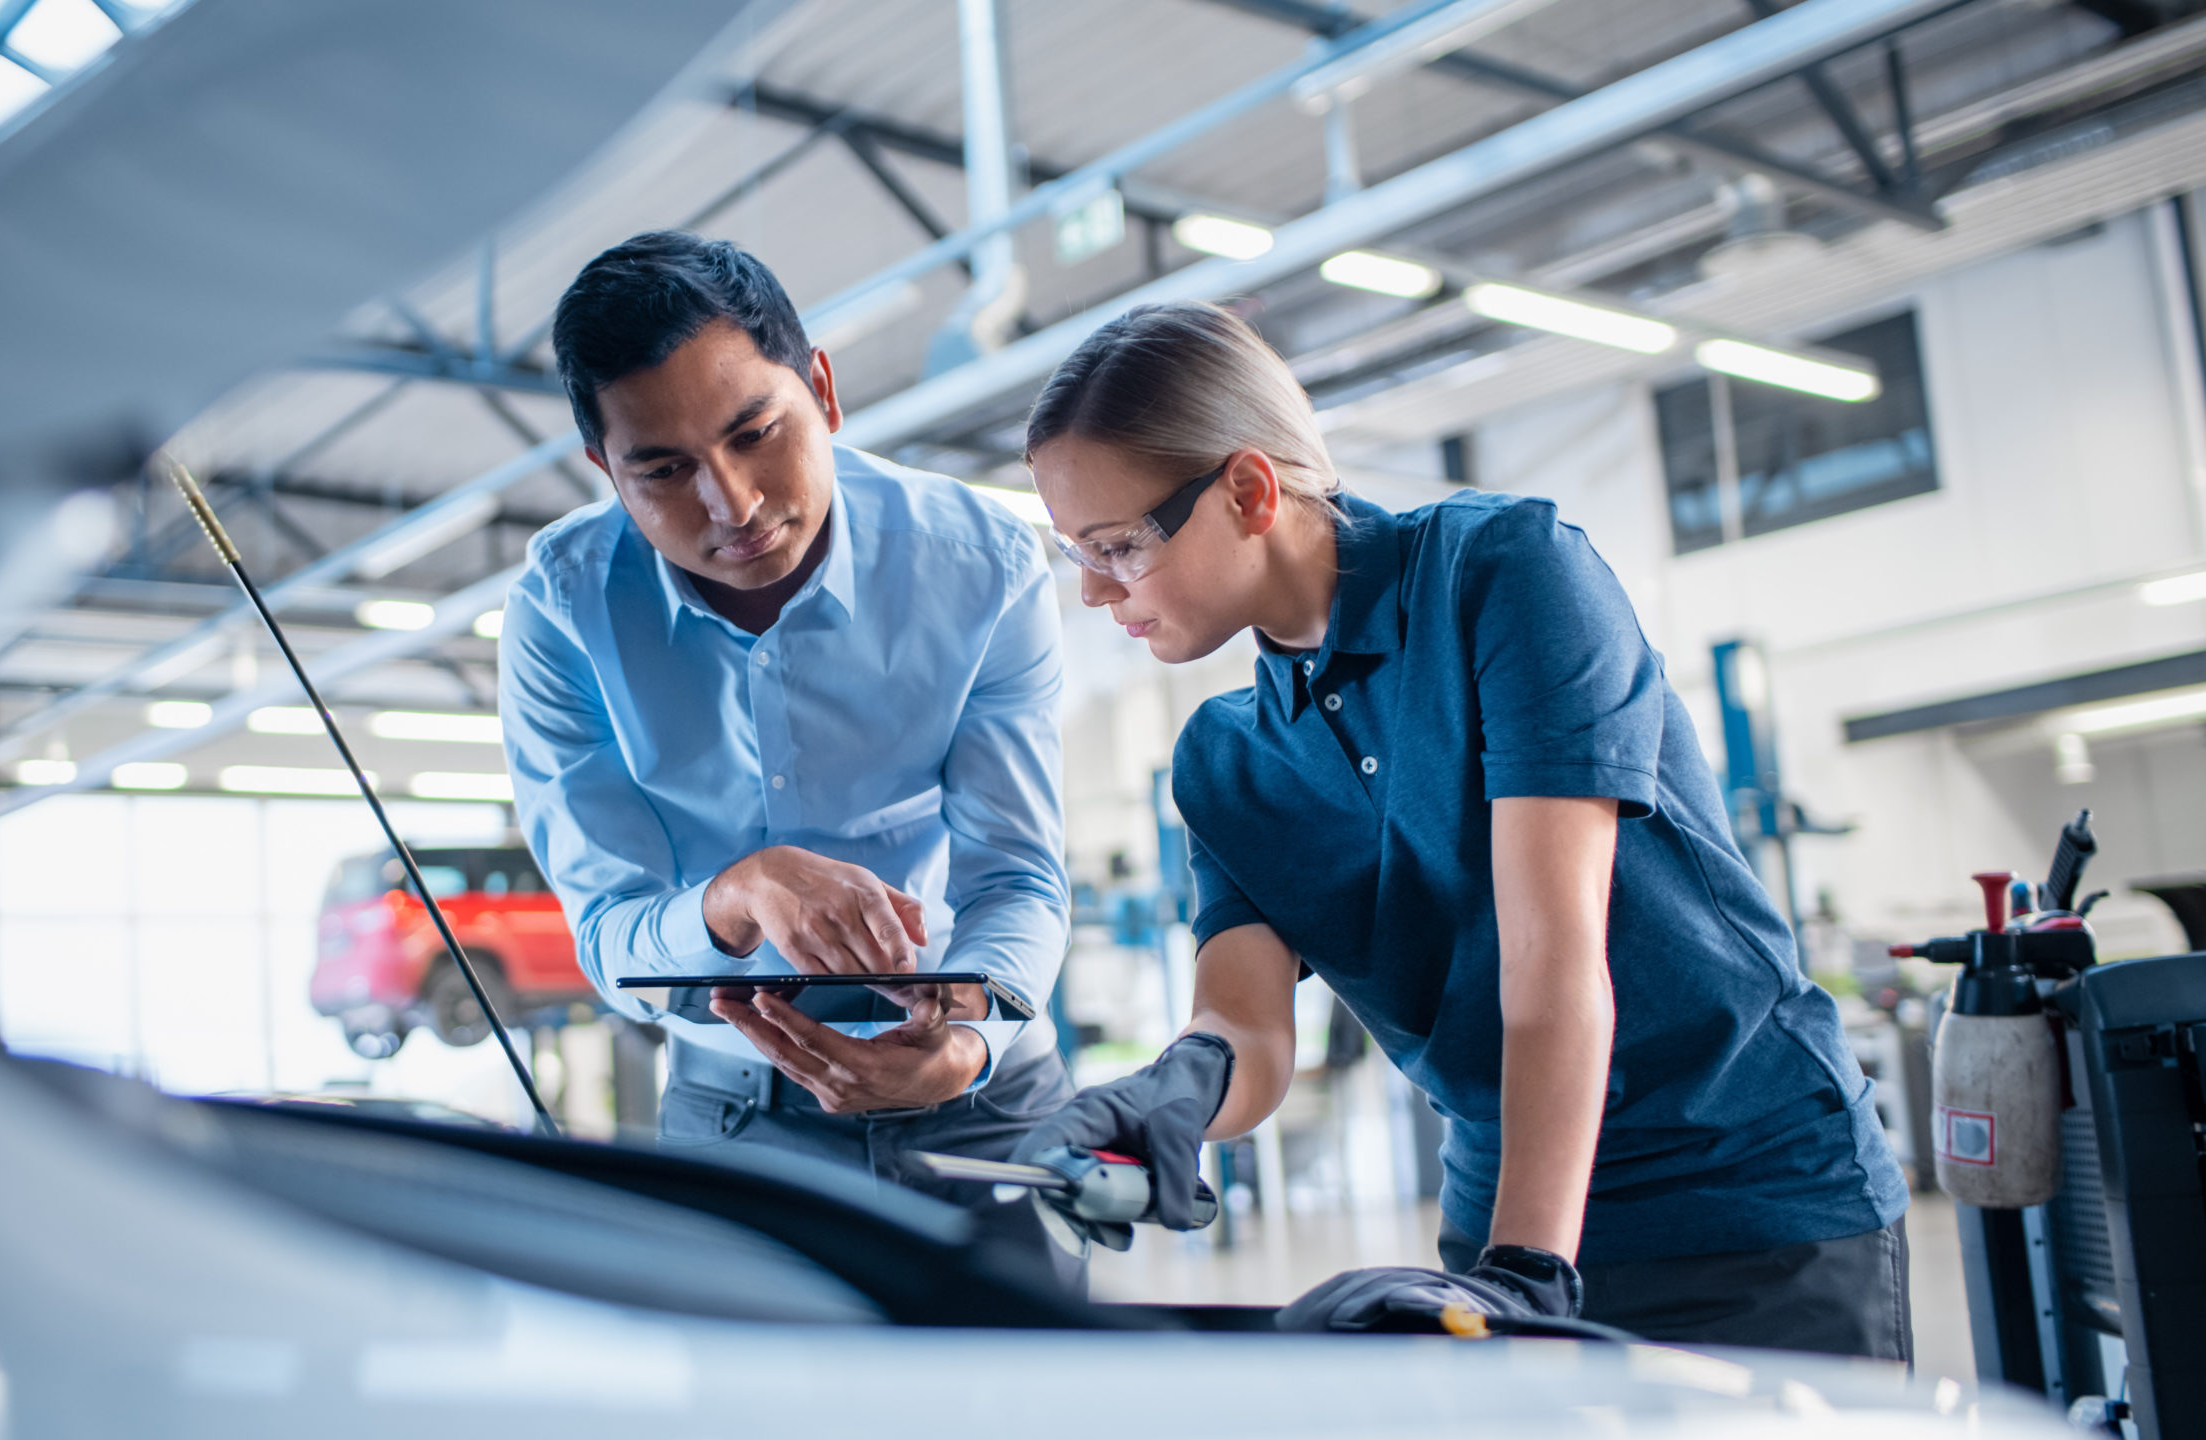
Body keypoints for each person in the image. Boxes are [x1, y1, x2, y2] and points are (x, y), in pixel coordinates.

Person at [1013, 301, 1911, 1357]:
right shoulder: (1228, 760)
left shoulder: (1503, 575)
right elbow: (1247, 1030)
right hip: (1498, 1226)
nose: (1089, 589)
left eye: (1116, 545)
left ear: (1249, 490)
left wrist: (1526, 1269)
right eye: (1076, 553)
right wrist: (1169, 1093)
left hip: (1746, 1210)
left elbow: (1548, 953)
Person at [498, 232, 1078, 1283]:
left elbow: (1019, 878)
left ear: (822, 388)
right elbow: (609, 933)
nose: (733, 503)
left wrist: (964, 1042)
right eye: (662, 470)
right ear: (603, 469)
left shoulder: (982, 568)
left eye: (756, 433)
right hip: (735, 1117)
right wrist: (734, 897)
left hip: (982, 1104)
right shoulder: (562, 613)